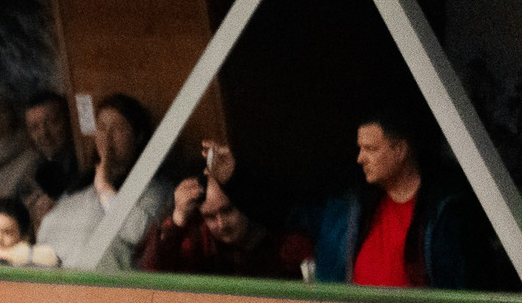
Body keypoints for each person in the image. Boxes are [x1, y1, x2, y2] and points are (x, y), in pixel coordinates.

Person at [212, 110, 503, 290]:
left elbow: (471, 294)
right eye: (360, 148)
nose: (360, 158)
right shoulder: (346, 209)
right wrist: (234, 179)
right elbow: (283, 213)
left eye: (371, 149)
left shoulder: (447, 214)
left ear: (400, 151)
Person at [36, 94, 174, 271]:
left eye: (118, 128)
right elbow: (48, 236)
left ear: (138, 136)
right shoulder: (80, 185)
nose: (107, 137)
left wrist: (105, 189)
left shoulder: (155, 189)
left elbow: (140, 234)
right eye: (101, 127)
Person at [139, 174, 312, 280]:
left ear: (245, 204)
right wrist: (178, 218)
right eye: (210, 216)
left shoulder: (288, 244)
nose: (221, 224)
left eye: (228, 210)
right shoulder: (202, 239)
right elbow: (154, 276)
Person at [21, 90, 84, 228]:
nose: (44, 133)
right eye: (35, 128)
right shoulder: (35, 170)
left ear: (68, 119)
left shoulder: (83, 162)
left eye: (52, 122)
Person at [0, 196, 57, 267]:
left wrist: (2, 254)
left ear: (24, 237)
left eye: (8, 233)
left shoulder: (34, 264)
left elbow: (51, 258)